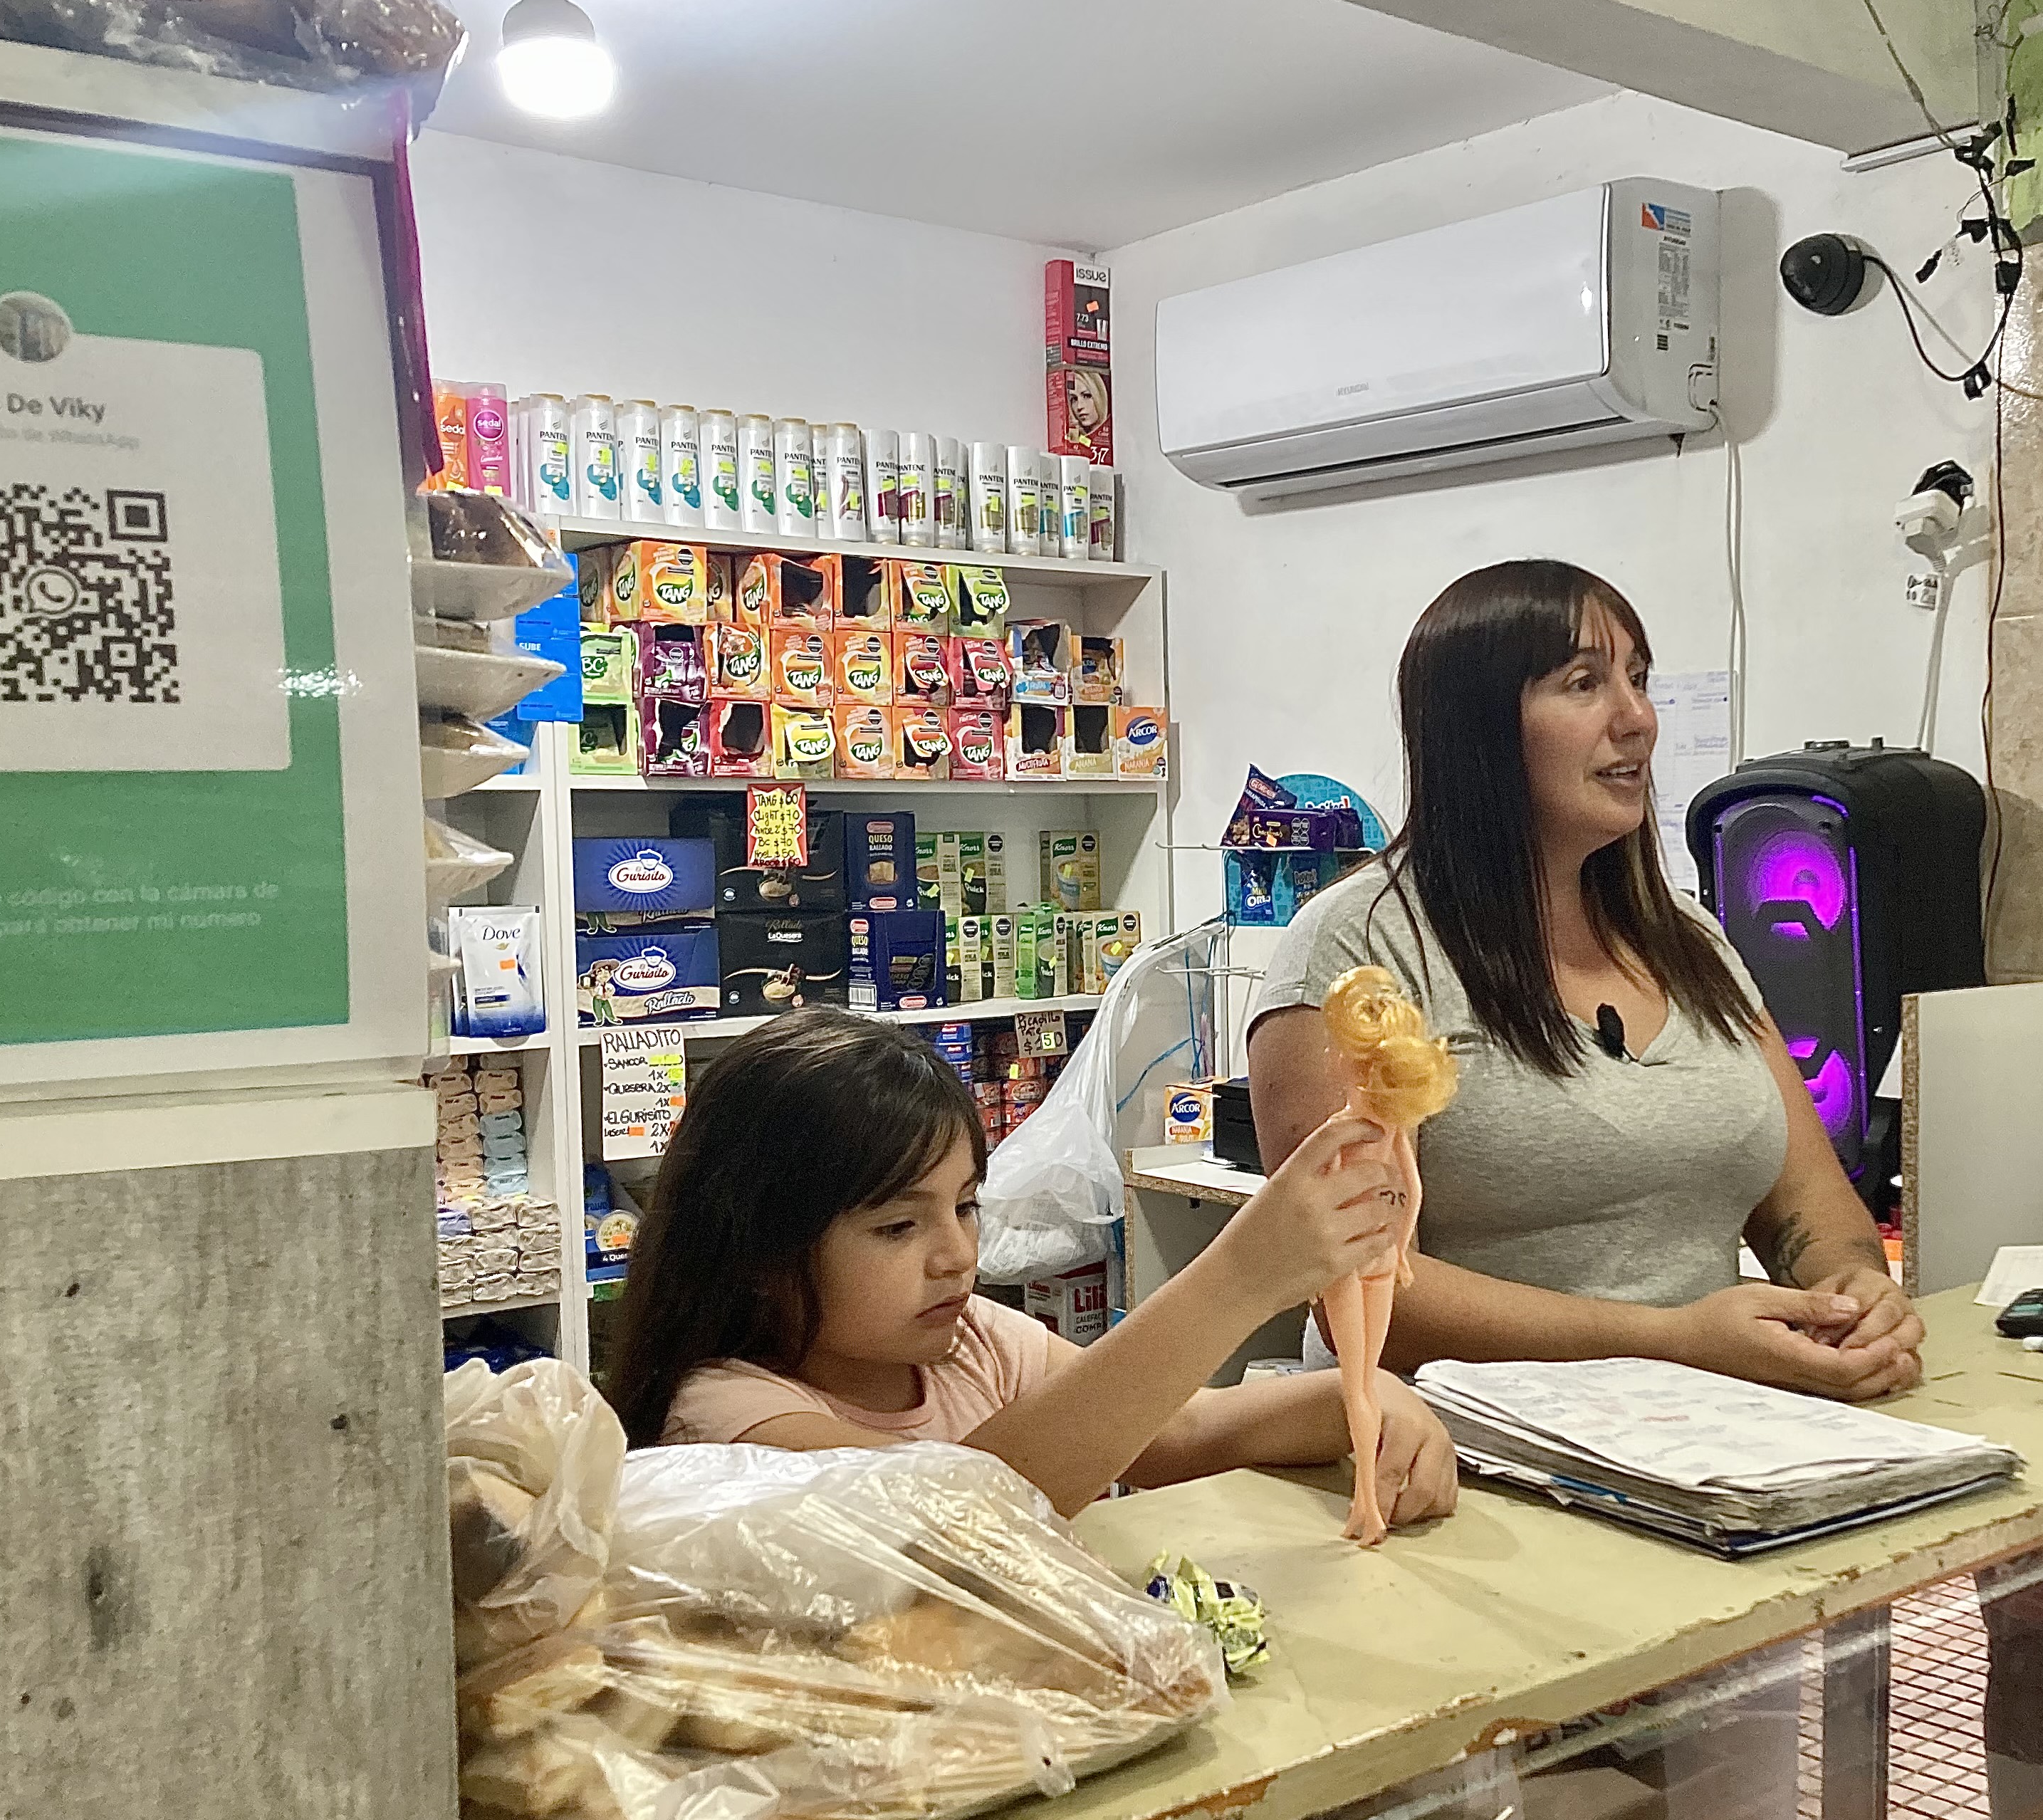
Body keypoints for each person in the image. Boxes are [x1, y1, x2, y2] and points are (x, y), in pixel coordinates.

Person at [1245, 558, 1925, 1394]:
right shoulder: (1357, 955)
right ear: (1480, 729)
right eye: (1583, 683)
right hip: (1456, 1466)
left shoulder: (1692, 942)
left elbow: (1808, 1204)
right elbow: (1365, 1292)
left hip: (1713, 1432)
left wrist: (1851, 1287)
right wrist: (1670, 1340)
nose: (1637, 718)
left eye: (1638, 679)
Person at [605, 1009, 1461, 1527]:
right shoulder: (725, 1416)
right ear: (758, 1247)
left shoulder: (974, 1344)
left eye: (966, 1205)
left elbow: (1183, 1431)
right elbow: (952, 1522)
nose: (956, 1255)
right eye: (900, 1225)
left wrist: (1361, 1397)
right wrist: (1239, 1274)